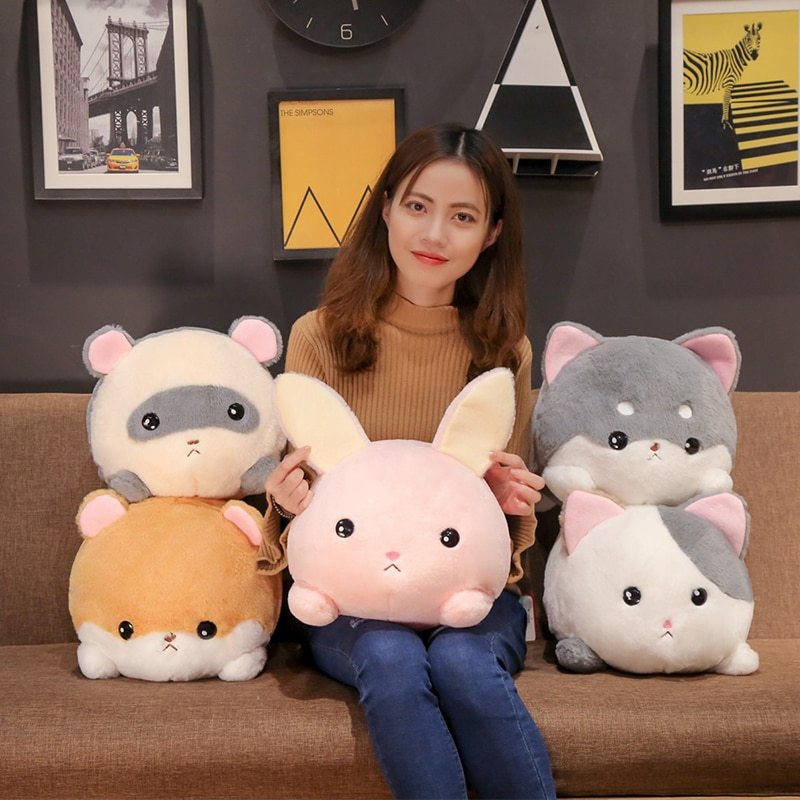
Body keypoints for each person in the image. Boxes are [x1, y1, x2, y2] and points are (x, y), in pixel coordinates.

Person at [266, 123, 556, 800]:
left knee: (462, 662)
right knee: (390, 653)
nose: (434, 234)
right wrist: (284, 503)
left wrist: (508, 503)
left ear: (492, 233)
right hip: (356, 601)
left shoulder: (505, 348)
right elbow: (303, 505)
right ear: (387, 208)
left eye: (463, 217)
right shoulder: (319, 336)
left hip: (466, 594)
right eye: (418, 207)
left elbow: (507, 521)